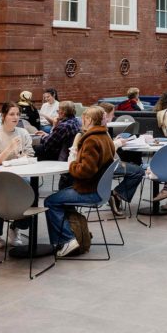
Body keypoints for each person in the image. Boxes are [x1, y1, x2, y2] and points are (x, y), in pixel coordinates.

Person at [44, 105, 115, 257]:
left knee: (50, 201)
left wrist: (73, 164)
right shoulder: (106, 137)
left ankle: (66, 240)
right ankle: (77, 235)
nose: (81, 121)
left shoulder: (91, 140)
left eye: (83, 118)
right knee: (61, 198)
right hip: (100, 190)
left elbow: (86, 170)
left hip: (89, 191)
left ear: (89, 119)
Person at [0, 102, 35, 247]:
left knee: (30, 193)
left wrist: (23, 156)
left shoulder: (23, 133)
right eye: (12, 114)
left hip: (20, 176)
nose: (15, 117)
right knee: (3, 195)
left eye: (18, 114)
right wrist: (9, 149)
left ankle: (15, 228)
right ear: (3, 116)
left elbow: (30, 155)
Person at [98, 102, 145, 216]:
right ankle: (116, 194)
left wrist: (115, 139)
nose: (113, 117)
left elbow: (105, 144)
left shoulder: (101, 129)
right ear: (105, 115)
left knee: (136, 168)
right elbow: (105, 149)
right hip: (107, 165)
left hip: (107, 163)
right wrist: (118, 142)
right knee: (139, 171)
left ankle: (116, 195)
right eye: (112, 114)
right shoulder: (100, 129)